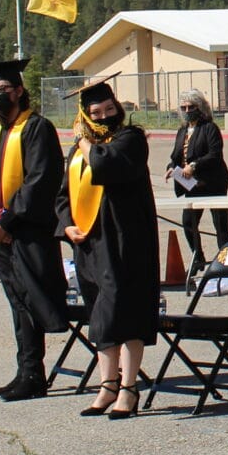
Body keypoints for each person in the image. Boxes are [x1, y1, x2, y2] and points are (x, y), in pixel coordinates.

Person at [58, 78, 159, 420]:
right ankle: (107, 385)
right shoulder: (76, 151)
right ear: (85, 114)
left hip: (124, 241)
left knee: (126, 311)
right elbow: (63, 194)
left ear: (119, 109)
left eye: (109, 110)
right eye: (95, 112)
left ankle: (129, 388)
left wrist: (85, 142)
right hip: (89, 242)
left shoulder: (130, 139)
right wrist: (65, 225)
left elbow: (106, 165)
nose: (103, 117)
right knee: (100, 315)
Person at [0, 58, 70, 402]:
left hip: (30, 233)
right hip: (0, 234)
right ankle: (26, 371)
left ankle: (34, 375)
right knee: (16, 301)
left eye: (1, 90)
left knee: (32, 299)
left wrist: (8, 222)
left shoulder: (37, 128)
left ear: (19, 91)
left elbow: (40, 180)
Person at [167, 88, 228, 269]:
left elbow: (215, 154)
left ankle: (225, 261)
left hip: (213, 182)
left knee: (221, 225)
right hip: (191, 185)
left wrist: (194, 165)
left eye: (191, 107)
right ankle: (199, 259)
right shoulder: (182, 130)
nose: (187, 111)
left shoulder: (210, 128)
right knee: (188, 223)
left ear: (200, 107)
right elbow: (176, 157)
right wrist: (171, 168)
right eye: (184, 107)